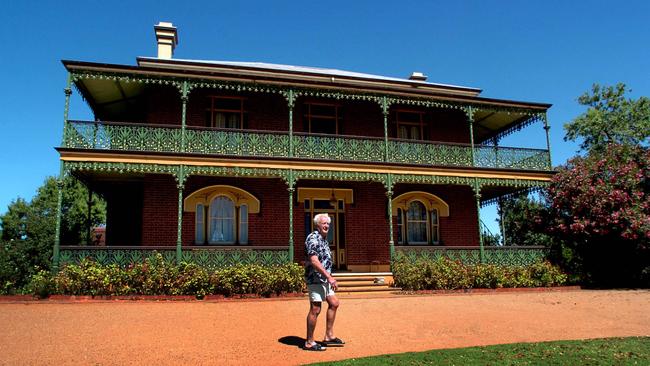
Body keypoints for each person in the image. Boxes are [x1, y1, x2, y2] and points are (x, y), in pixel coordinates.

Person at [303, 213, 345, 351]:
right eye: (324, 223)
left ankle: (329, 336)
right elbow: (314, 261)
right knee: (315, 308)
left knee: (334, 303)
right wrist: (329, 277)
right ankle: (309, 342)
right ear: (317, 225)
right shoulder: (313, 238)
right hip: (315, 278)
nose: (327, 226)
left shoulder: (324, 239)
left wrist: (329, 277)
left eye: (328, 223)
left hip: (325, 279)